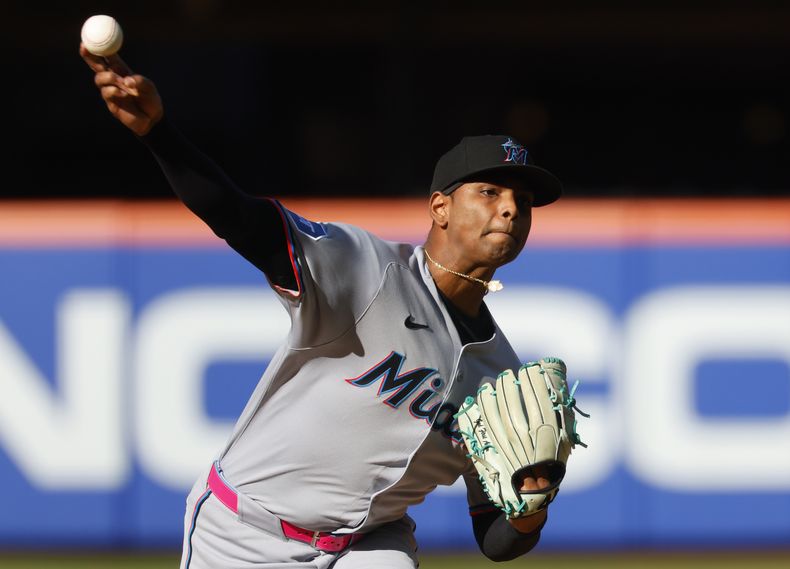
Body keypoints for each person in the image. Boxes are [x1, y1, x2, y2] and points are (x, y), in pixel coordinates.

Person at [81, 43, 566, 569]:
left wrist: (530, 509)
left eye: (522, 200)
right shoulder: (364, 269)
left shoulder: (501, 378)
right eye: (490, 191)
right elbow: (240, 218)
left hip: (370, 545)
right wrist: (159, 135)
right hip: (244, 530)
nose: (512, 208)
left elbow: (494, 537)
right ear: (440, 207)